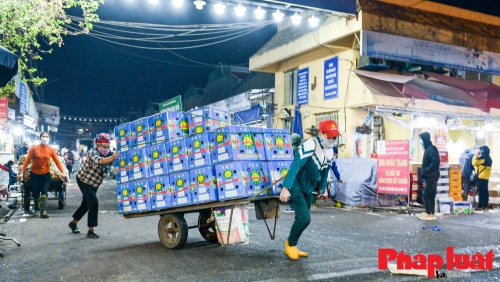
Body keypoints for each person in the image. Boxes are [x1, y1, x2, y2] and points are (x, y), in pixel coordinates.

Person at [279, 119, 339, 260]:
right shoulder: (310, 145)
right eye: (328, 136)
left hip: (308, 188)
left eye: (334, 137)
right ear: (321, 134)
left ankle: (292, 244)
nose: (331, 140)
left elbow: (324, 172)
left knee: (301, 218)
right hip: (296, 186)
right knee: (305, 219)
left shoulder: (330, 152)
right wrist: (286, 188)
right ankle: (290, 245)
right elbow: (295, 165)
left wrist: (321, 189)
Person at [69, 133, 119, 239]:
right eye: (103, 146)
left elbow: (112, 165)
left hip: (95, 183)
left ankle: (73, 223)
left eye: (107, 146)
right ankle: (90, 230)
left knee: (86, 205)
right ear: (97, 145)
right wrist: (112, 158)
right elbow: (99, 161)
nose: (105, 149)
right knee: (93, 203)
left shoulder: (110, 154)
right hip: (84, 180)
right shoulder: (93, 152)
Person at [19, 132, 67, 218]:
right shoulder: (33, 149)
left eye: (46, 136)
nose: (45, 138)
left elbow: (57, 162)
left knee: (44, 192)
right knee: (36, 193)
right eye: (43, 136)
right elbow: (27, 161)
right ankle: (37, 209)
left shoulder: (51, 149)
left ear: (49, 138)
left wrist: (63, 172)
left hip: (46, 174)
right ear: (40, 138)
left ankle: (43, 211)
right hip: (34, 174)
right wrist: (22, 172)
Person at [284, 127, 320, 214]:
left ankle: (296, 208)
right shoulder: (306, 145)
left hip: (302, 176)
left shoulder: (303, 148)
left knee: (298, 190)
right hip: (306, 176)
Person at [418, 132, 440, 221]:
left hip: (432, 175)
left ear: (425, 139)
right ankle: (431, 212)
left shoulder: (432, 149)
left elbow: (435, 163)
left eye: (421, 139)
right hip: (429, 175)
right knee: (431, 194)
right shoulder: (428, 149)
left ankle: (428, 213)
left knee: (426, 193)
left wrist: (425, 171)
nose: (420, 141)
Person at [472, 146, 492, 211]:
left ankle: (480, 206)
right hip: (486, 177)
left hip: (481, 177)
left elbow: (474, 162)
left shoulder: (483, 158)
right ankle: (485, 205)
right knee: (485, 191)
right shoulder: (489, 158)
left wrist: (476, 155)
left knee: (481, 192)